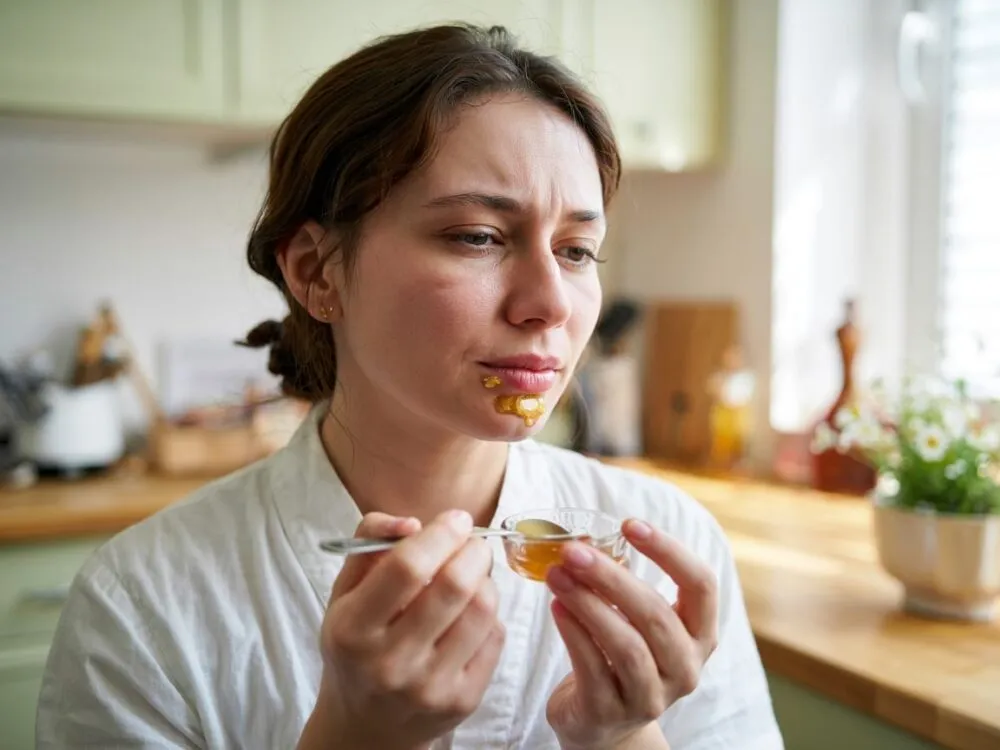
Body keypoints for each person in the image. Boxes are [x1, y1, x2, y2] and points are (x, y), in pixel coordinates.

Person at [36, 24, 783, 750]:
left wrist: (623, 737)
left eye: (578, 250)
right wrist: (355, 739)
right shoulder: (142, 607)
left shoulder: (665, 549)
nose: (551, 302)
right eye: (478, 237)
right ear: (317, 272)